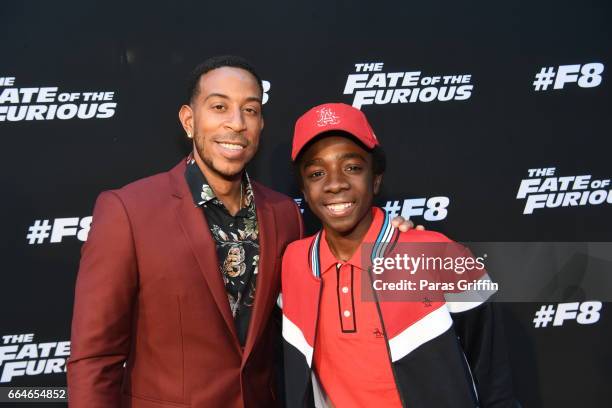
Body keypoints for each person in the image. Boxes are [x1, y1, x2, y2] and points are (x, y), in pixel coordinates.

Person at [67, 56, 415, 408]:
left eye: (250, 110)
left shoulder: (284, 214)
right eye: (219, 106)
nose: (236, 123)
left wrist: (391, 233)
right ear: (189, 120)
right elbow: (94, 359)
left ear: (261, 123)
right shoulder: (128, 211)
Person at [281, 103, 516, 407]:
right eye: (316, 173)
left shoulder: (436, 253)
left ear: (375, 179)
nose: (335, 183)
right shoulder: (293, 263)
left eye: (352, 167)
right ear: (303, 188)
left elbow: (493, 376)